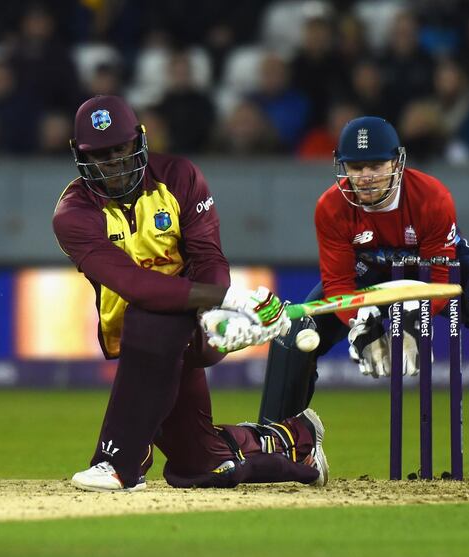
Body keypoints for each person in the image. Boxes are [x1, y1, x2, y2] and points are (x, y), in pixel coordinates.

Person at [52, 95, 328, 492]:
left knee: (151, 320)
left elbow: (208, 257)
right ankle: (296, 441)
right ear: (79, 155)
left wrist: (217, 312)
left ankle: (118, 462)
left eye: (120, 149)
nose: (112, 164)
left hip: (198, 327)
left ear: (139, 141)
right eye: (99, 155)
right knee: (199, 466)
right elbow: (133, 284)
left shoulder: (180, 176)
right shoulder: (73, 214)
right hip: (144, 343)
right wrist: (226, 299)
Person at [259, 116, 469, 480]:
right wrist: (364, 325)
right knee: (295, 330)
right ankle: (279, 444)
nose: (366, 176)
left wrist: (411, 326)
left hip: (436, 269)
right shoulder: (330, 207)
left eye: (376, 165)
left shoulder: (431, 197)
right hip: (366, 273)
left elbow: (439, 278)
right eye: (356, 167)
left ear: (397, 162)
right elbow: (340, 283)